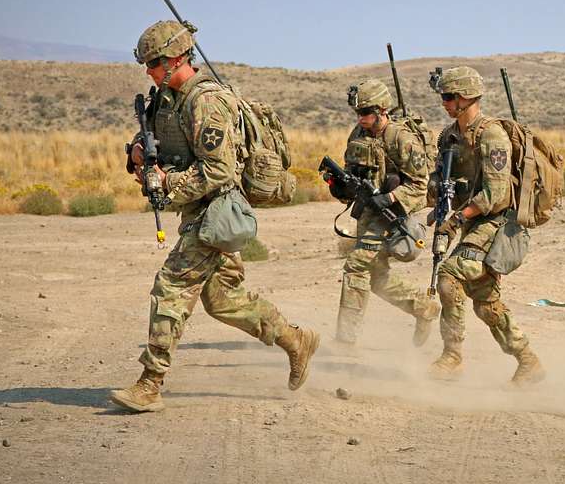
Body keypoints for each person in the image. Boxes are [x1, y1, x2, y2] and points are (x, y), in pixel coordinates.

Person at [110, 20, 319, 412]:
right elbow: (158, 141)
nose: (149, 70)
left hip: (216, 213)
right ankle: (295, 340)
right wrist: (137, 153)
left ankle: (150, 383)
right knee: (225, 300)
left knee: (171, 286)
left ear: (175, 59)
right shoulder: (165, 100)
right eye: (146, 63)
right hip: (195, 211)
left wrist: (167, 181)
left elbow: (218, 171)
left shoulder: (206, 101)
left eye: (154, 62)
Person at [426, 66, 545, 385]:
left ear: (466, 98)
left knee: (449, 276)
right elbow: (441, 175)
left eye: (449, 97)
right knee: (486, 304)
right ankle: (528, 360)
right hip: (469, 221)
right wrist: (438, 198)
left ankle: (452, 356)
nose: (445, 103)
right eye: (443, 96)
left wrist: (456, 218)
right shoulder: (448, 136)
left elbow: (495, 193)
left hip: (495, 224)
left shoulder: (492, 136)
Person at [328, 79, 440, 348]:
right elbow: (352, 171)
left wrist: (389, 198)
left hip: (391, 214)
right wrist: (339, 184)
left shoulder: (401, 138)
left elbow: (419, 185)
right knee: (376, 278)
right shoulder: (358, 134)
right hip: (367, 212)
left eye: (366, 113)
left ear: (382, 110)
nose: (361, 118)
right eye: (358, 113)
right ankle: (422, 307)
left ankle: (344, 342)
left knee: (356, 265)